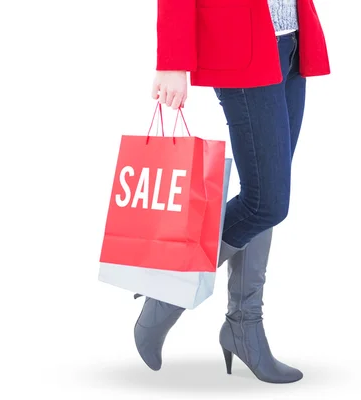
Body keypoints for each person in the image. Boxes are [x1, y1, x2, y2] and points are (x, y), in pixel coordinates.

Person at [134, 0, 330, 384]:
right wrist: (172, 60)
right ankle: (170, 294)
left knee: (266, 193)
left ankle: (244, 325)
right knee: (265, 203)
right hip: (240, 44)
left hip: (289, 41)